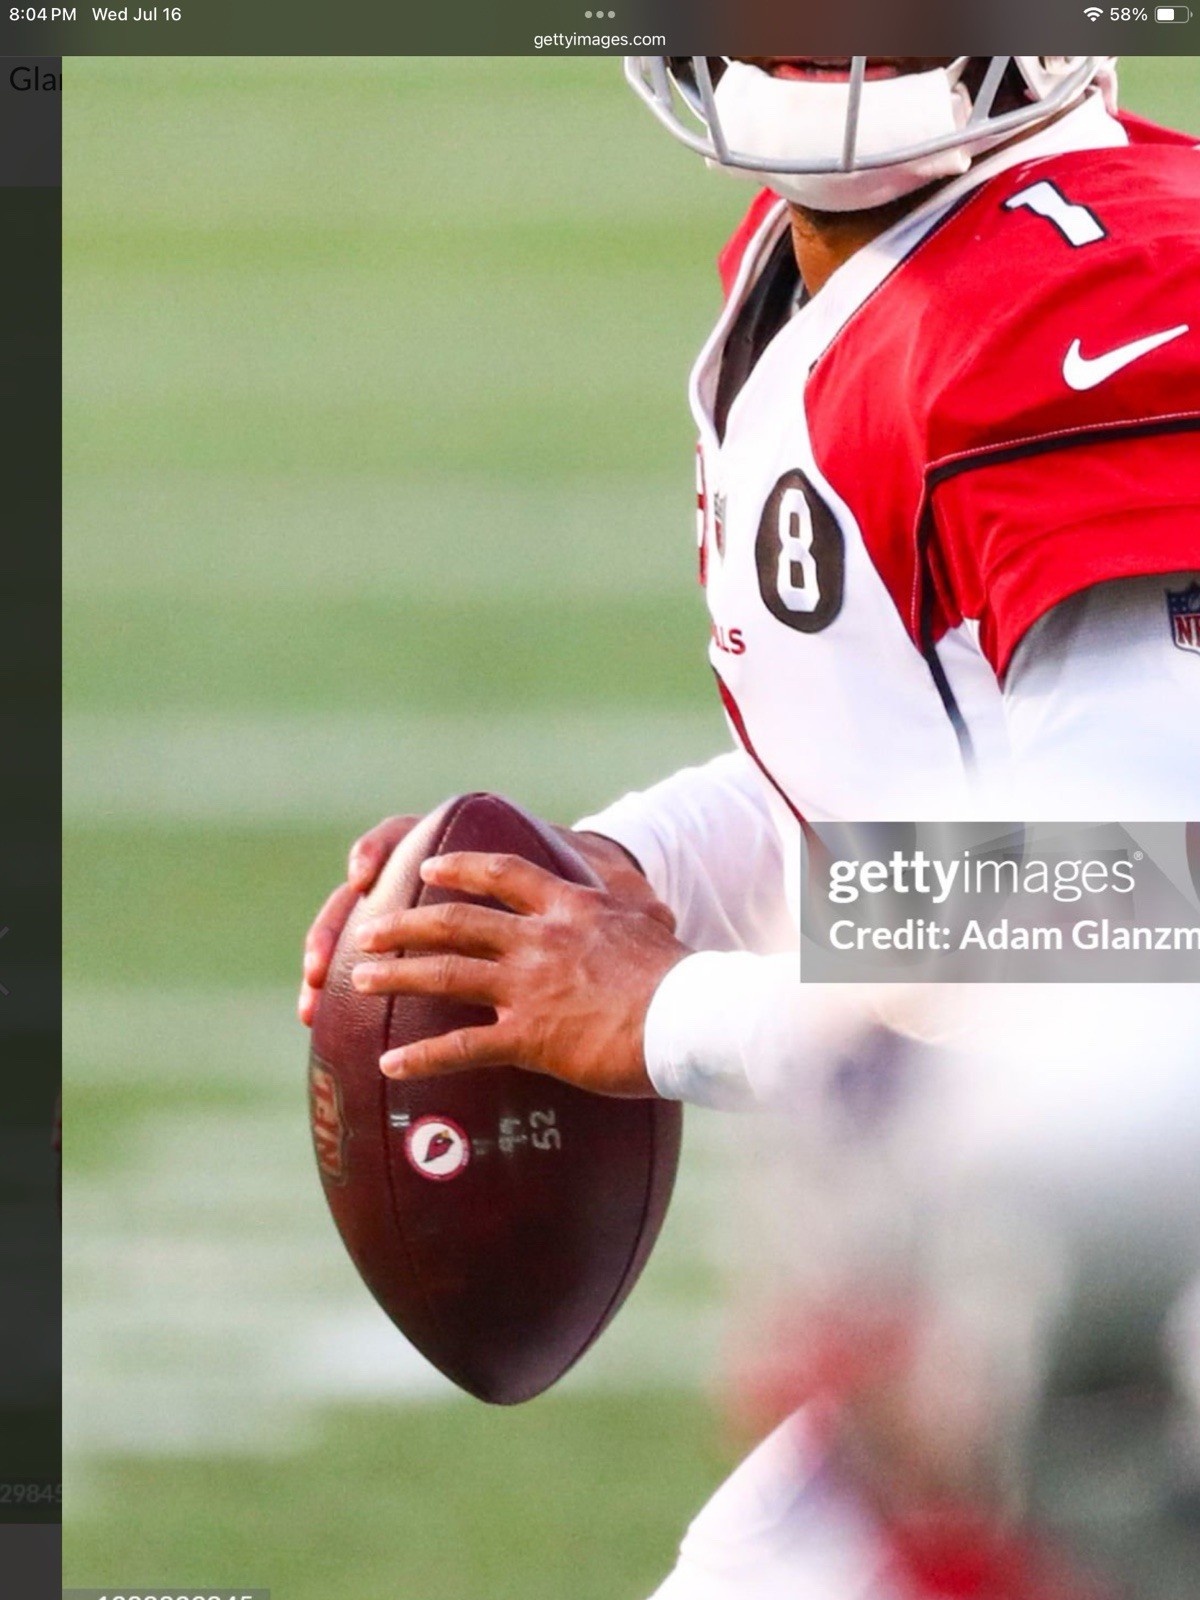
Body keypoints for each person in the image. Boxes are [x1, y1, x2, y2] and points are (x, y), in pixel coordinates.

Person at [301, 58, 1200, 1597]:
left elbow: (1136, 919)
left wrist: (666, 1011)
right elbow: (933, 803)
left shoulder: (1102, 298)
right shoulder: (841, 269)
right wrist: (608, 880)